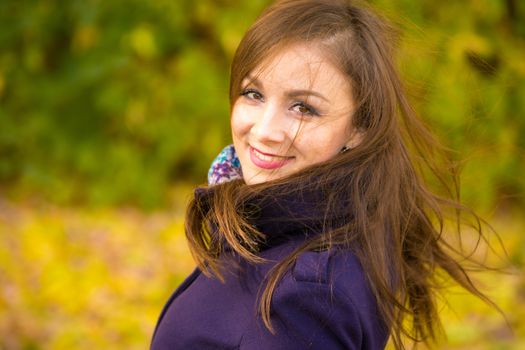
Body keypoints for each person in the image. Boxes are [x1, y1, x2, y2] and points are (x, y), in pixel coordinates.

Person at [151, 0, 498, 349]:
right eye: (253, 93)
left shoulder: (309, 293)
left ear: (359, 128)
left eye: (304, 108)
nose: (265, 130)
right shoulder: (283, 226)